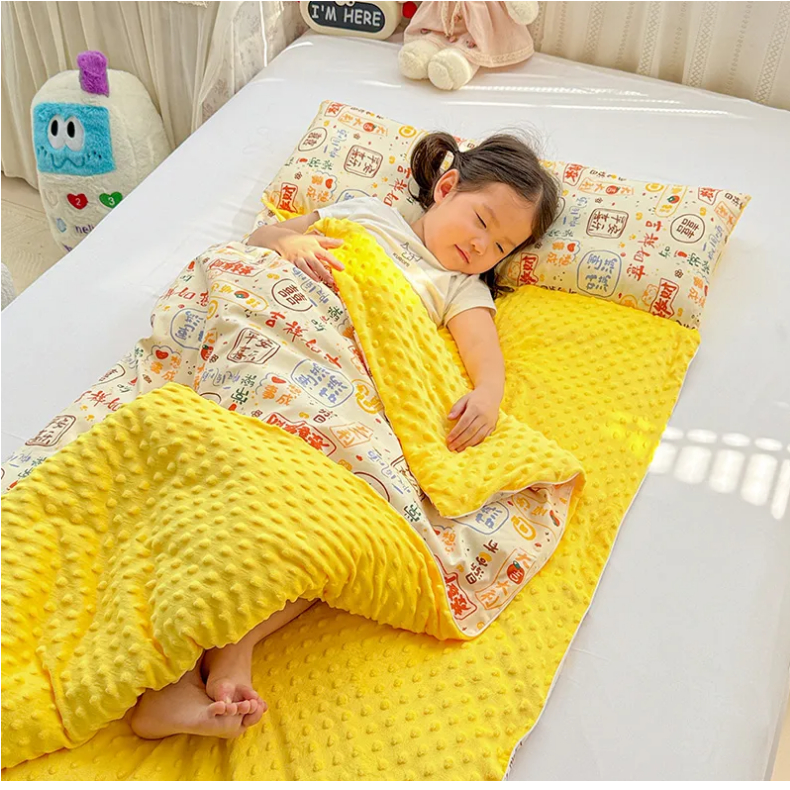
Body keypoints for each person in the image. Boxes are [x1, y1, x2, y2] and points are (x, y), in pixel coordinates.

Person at [129, 131, 559, 740]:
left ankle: (228, 651)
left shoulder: (457, 287)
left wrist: (487, 395)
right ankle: (179, 672)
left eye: (501, 247)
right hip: (282, 351)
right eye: (481, 222)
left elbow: (484, 357)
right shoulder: (365, 215)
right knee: (228, 480)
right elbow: (262, 240)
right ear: (446, 188)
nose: (480, 247)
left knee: (345, 529)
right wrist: (291, 242)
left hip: (346, 390)